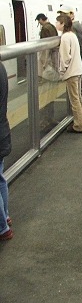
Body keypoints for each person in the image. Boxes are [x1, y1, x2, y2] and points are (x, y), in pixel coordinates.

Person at [55, 14, 82, 133]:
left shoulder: (65, 38)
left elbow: (65, 58)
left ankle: (79, 126)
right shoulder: (72, 35)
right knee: (78, 97)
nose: (56, 24)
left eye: (57, 22)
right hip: (78, 70)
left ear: (63, 24)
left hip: (71, 72)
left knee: (74, 100)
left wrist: (61, 72)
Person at [36, 13, 59, 129]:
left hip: (48, 68)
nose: (39, 23)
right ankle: (50, 118)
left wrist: (43, 67)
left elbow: (45, 50)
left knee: (44, 95)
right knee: (51, 95)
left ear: (41, 19)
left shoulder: (45, 29)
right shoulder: (52, 27)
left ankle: (44, 121)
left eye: (38, 21)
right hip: (54, 67)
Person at [0, 61, 13, 241]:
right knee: (0, 178)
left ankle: (2, 227)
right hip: (3, 130)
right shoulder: (1, 66)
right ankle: (6, 215)